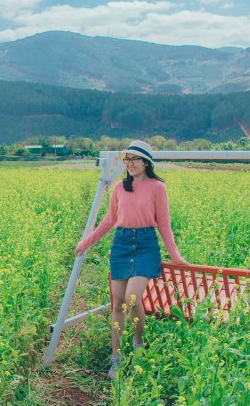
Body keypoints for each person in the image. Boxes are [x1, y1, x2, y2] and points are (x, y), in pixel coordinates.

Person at [74, 139, 188, 380]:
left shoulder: (158, 187)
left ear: (146, 162)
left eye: (135, 159)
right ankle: (116, 358)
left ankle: (138, 344)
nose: (130, 163)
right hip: (122, 243)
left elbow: (164, 225)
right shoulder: (119, 188)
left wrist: (175, 255)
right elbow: (109, 220)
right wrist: (86, 242)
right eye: (127, 159)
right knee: (117, 303)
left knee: (132, 298)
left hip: (146, 244)